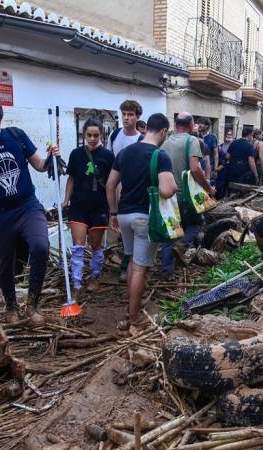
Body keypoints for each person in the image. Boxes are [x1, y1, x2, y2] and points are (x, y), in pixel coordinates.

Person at [0, 97, 59, 326]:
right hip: (0, 213)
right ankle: (11, 306)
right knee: (5, 264)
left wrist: (51, 159)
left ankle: (32, 305)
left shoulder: (16, 135)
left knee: (40, 246)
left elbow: (39, 165)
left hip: (27, 205)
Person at [106, 113, 176, 334]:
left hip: (124, 215)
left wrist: (113, 213)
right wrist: (163, 185)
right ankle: (134, 318)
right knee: (140, 269)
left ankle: (131, 308)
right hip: (144, 218)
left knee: (131, 263)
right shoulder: (160, 155)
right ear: (163, 131)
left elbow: (110, 185)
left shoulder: (125, 152)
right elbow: (167, 190)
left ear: (147, 129)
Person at [160, 112, 215, 279]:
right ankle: (182, 245)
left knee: (172, 232)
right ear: (191, 125)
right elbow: (195, 168)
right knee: (198, 222)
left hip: (168, 196)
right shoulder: (191, 141)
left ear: (176, 125)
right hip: (185, 196)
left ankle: (166, 273)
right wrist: (209, 188)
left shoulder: (164, 143)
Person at [64, 118, 115, 297]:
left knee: (95, 245)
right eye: (89, 135)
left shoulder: (109, 157)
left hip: (100, 207)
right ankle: (77, 284)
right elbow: (71, 179)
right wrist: (65, 201)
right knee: (78, 246)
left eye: (96, 135)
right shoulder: (75, 154)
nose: (92, 139)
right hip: (78, 205)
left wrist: (114, 208)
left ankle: (95, 276)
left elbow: (113, 184)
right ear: (84, 135)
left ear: (102, 135)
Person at [109, 100, 144, 282]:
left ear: (137, 117)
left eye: (130, 114)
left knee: (130, 230)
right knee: (117, 229)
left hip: (131, 189)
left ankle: (128, 265)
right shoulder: (114, 135)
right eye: (124, 114)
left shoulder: (140, 139)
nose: (126, 118)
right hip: (114, 185)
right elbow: (109, 160)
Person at [198, 117, 219, 182]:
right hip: (198, 165)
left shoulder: (212, 137)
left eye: (202, 123)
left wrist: (215, 169)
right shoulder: (196, 136)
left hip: (209, 166)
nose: (199, 125)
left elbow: (216, 154)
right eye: (199, 123)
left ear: (207, 126)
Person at [215, 129, 233, 199]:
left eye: (230, 135)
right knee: (220, 185)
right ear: (225, 135)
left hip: (230, 168)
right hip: (221, 169)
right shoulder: (220, 146)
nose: (228, 136)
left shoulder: (233, 146)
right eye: (227, 134)